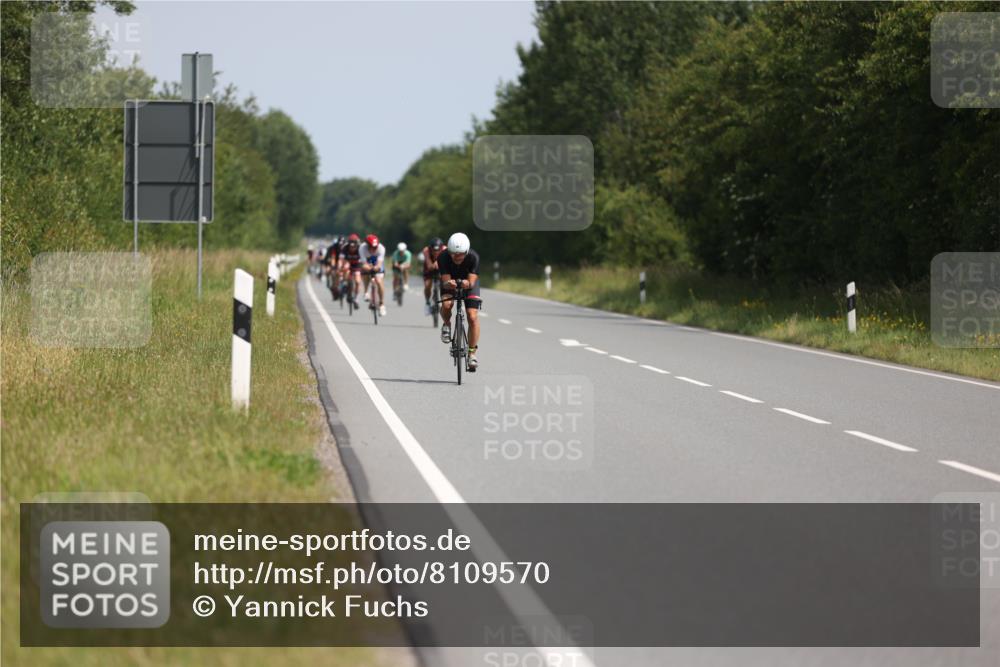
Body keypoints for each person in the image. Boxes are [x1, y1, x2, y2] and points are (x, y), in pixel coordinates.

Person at [438, 232, 481, 371]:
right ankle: (446, 324)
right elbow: (445, 282)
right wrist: (448, 284)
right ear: (449, 251)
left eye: (460, 254)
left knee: (472, 316)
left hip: (468, 284)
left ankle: (472, 353)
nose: (457, 257)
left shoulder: (474, 257)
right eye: (453, 253)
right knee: (446, 304)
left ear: (466, 251)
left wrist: (465, 283)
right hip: (449, 283)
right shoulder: (443, 257)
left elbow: (472, 282)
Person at [359, 234, 387, 317]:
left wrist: (376, 268)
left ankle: (382, 304)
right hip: (367, 262)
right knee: (365, 273)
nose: (374, 249)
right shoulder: (362, 248)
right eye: (371, 247)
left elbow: (379, 263)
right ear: (367, 245)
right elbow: (363, 264)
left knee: (379, 281)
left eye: (375, 247)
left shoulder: (381, 248)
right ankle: (366, 291)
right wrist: (368, 268)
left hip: (377, 262)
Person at [421, 237, 445, 316]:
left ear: (441, 248)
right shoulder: (426, 250)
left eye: (438, 250)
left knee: (445, 282)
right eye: (434, 250)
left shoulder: (445, 249)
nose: (436, 252)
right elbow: (429, 265)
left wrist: (438, 262)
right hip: (429, 267)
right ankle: (427, 302)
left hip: (442, 266)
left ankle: (443, 300)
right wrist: (433, 264)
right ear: (430, 249)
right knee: (428, 285)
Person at [339, 233, 363, 305]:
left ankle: (356, 298)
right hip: (348, 263)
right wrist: (340, 267)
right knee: (346, 268)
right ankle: (345, 283)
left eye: (354, 246)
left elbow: (364, 259)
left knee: (358, 281)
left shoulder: (360, 248)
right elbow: (341, 260)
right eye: (351, 246)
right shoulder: (344, 248)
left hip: (357, 265)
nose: (352, 248)